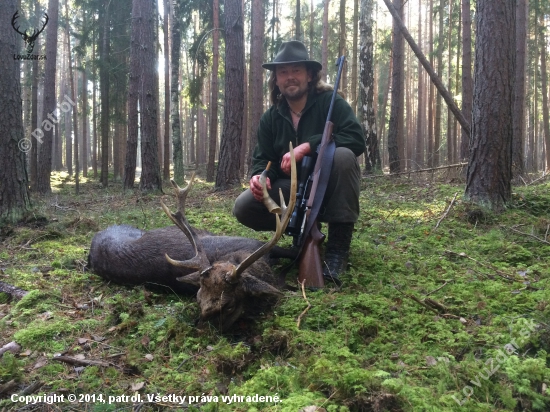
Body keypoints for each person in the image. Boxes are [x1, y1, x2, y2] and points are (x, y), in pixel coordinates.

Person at [233, 40, 366, 285]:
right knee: (243, 205)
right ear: (276, 79)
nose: (289, 77)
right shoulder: (271, 118)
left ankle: (337, 250)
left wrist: (309, 146)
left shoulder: (331, 102)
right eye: (283, 72)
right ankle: (298, 233)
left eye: (296, 70)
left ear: (309, 75)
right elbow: (264, 160)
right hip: (292, 194)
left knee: (344, 156)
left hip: (328, 189)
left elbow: (356, 138)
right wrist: (260, 178)